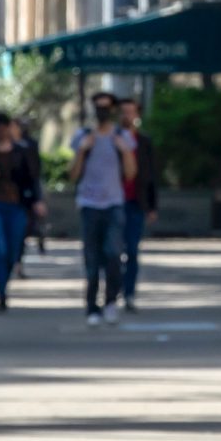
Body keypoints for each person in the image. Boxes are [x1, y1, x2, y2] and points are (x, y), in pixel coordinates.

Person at [72, 97, 139, 326]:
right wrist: (82, 151)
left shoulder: (122, 136)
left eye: (106, 108)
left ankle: (111, 301)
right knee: (91, 258)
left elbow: (131, 174)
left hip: (113, 204)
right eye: (98, 108)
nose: (102, 112)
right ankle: (92, 306)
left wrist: (125, 151)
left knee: (113, 254)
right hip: (89, 205)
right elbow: (72, 175)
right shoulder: (82, 136)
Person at [0, 113, 43, 311]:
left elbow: (33, 177)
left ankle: (5, 281)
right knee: (1, 249)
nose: (2, 131)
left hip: (17, 206)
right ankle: (2, 291)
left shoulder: (22, 151)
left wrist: (36, 201)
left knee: (14, 250)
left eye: (6, 127)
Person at [119, 96, 160, 310]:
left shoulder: (144, 142)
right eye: (123, 111)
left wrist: (152, 206)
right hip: (114, 203)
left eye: (130, 111)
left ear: (137, 115)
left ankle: (129, 293)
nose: (127, 116)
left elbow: (151, 175)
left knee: (132, 250)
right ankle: (114, 287)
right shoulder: (112, 139)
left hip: (136, 202)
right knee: (113, 250)